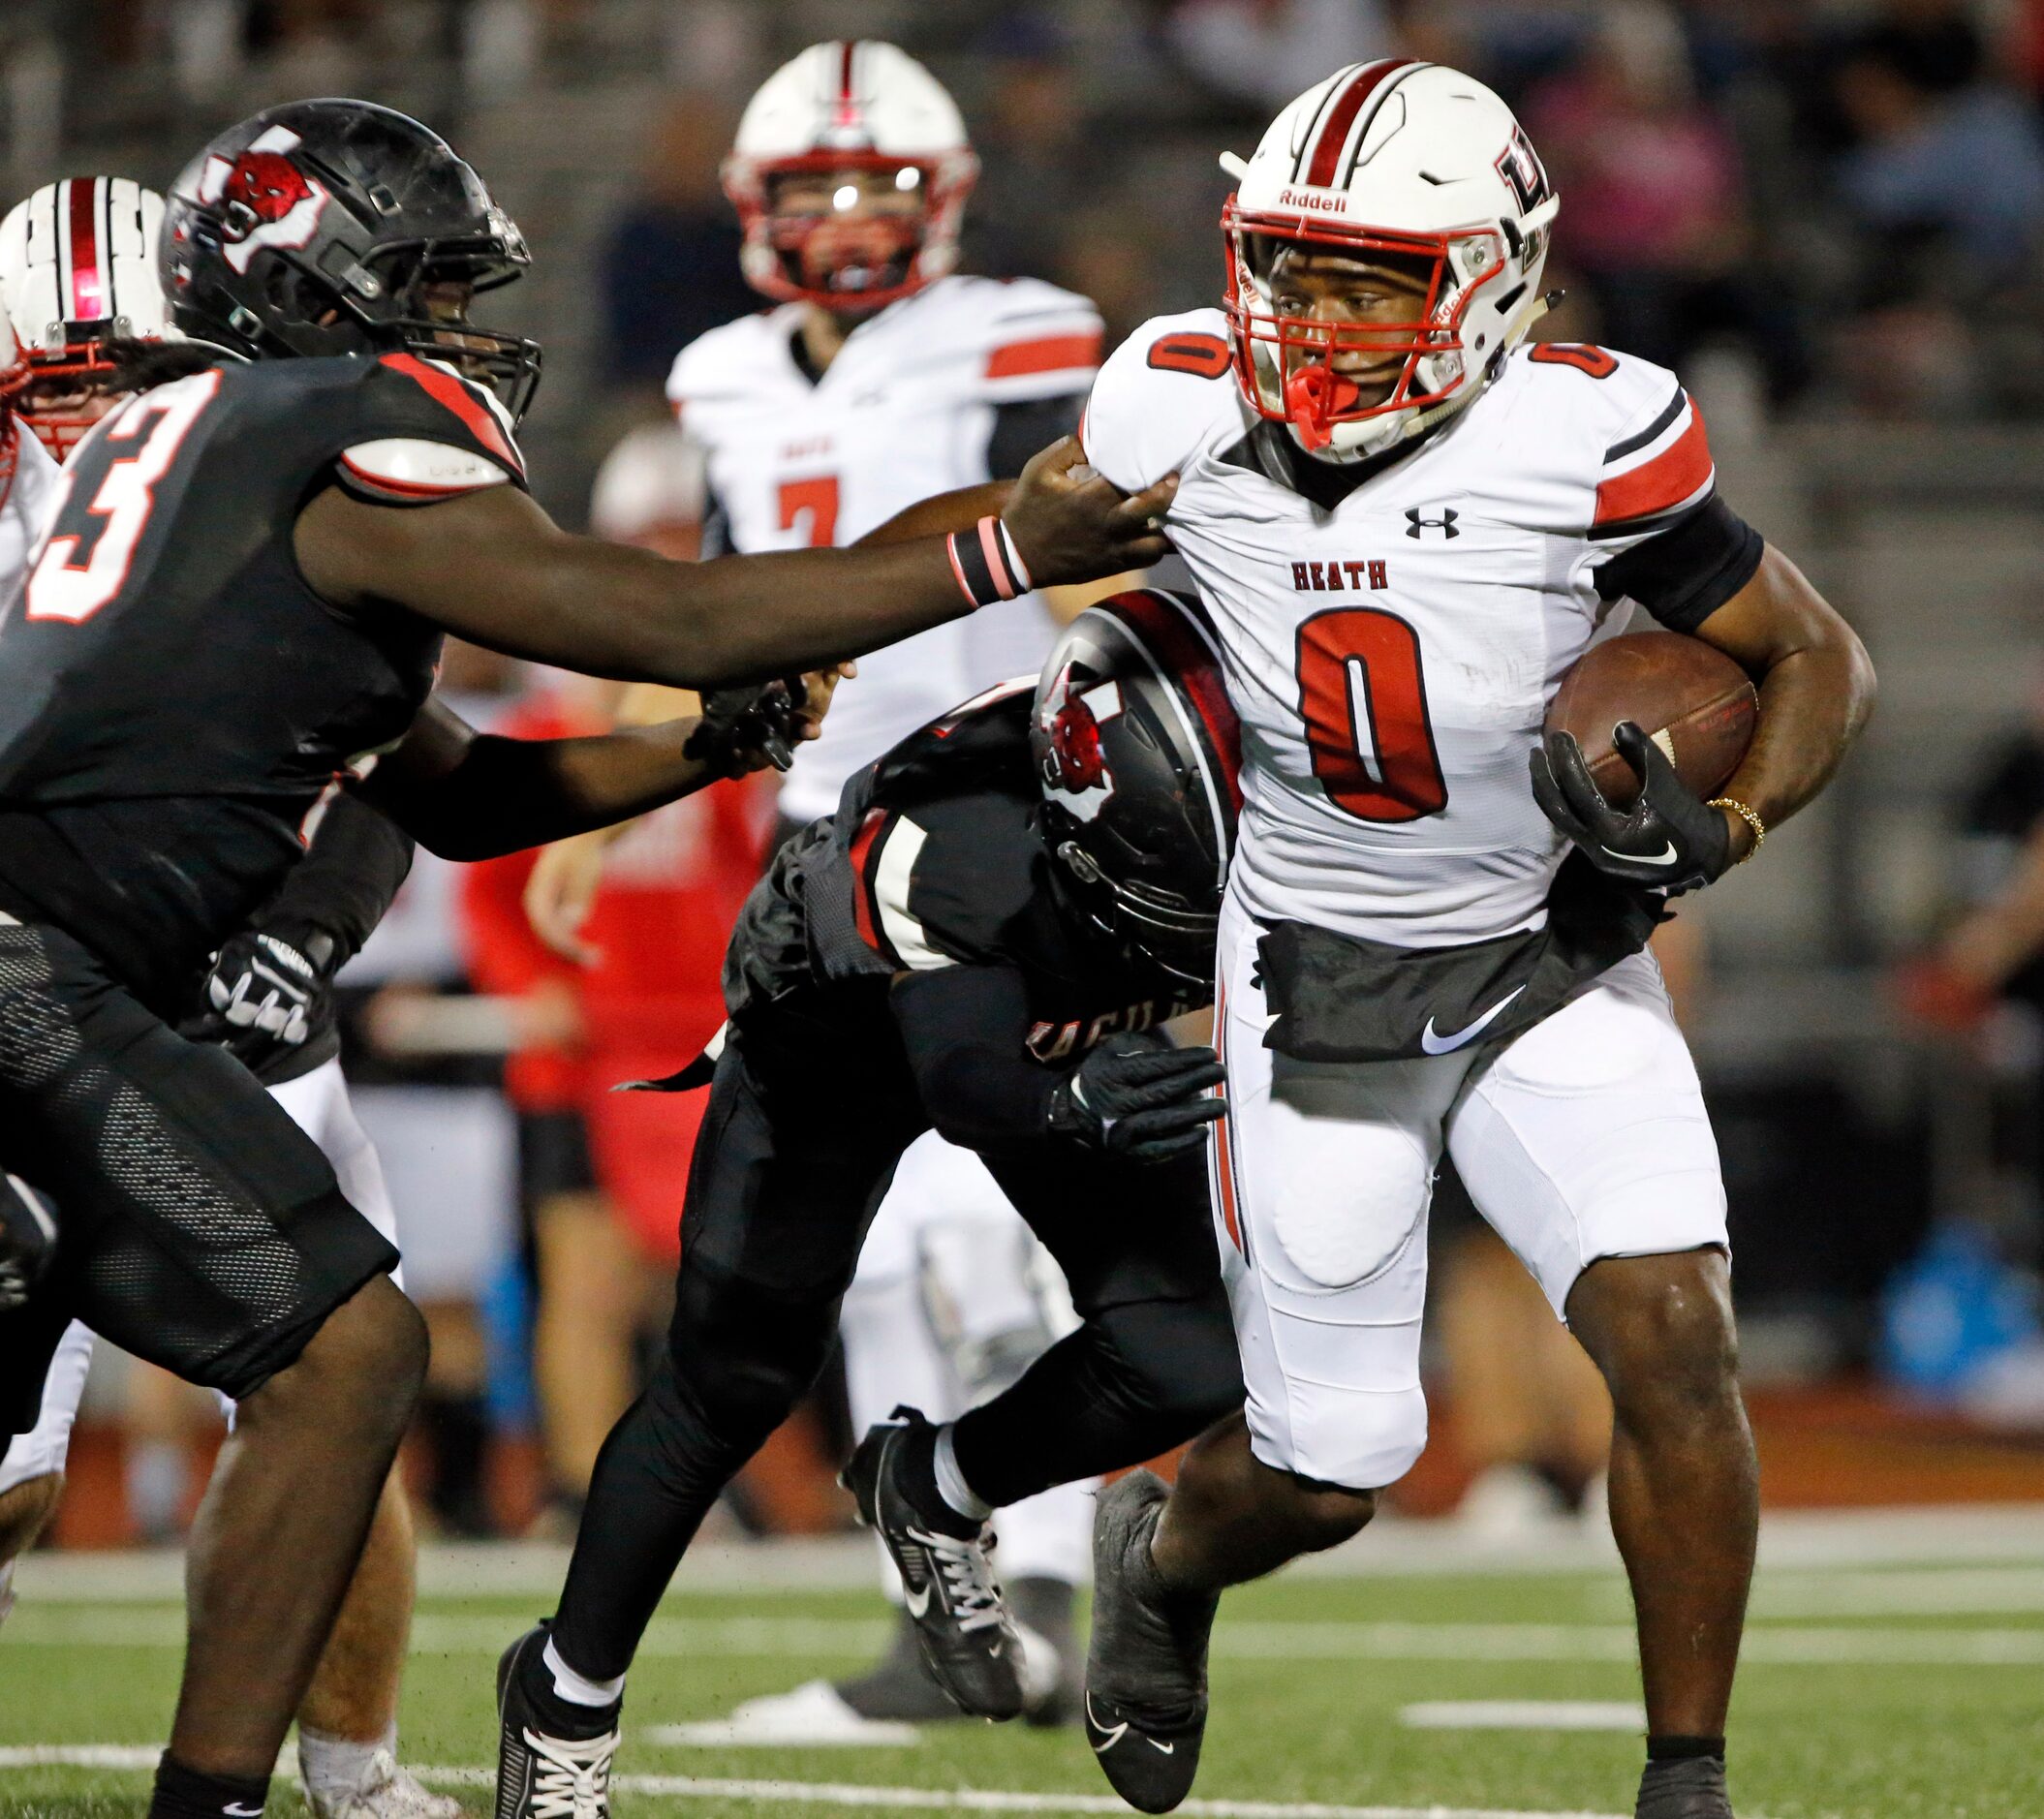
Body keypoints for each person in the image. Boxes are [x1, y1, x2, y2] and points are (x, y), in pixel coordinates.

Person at [0, 96, 1166, 1819]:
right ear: (318, 296)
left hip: (57, 972)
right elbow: (671, 615)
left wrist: (708, 744)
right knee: (344, 1346)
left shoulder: (204, 467)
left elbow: (460, 796)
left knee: (263, 1365)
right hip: (45, 974)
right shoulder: (331, 429)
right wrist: (1003, 552)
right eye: (428, 286)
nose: (464, 331)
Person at [1064, 59, 1874, 1819]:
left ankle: (1688, 1779)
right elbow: (1052, 633)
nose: (1319, 319)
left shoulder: (1591, 430)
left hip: (1545, 945)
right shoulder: (1175, 407)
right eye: (1291, 268)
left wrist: (1715, 831)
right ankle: (1164, 1552)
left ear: (1495, 276)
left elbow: (1823, 658)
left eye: (1374, 278)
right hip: (1317, 973)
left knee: (1672, 1321)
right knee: (1334, 1466)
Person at [530, 38, 1125, 1730]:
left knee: (986, 1232)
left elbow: (1100, 559)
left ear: (941, 199)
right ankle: (938, 1634)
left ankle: (1060, 1581)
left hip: (1004, 812)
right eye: (820, 189)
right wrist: (595, 808)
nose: (853, 219)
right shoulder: (721, 374)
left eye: (881, 185)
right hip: (820, 832)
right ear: (752, 208)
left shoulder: (1017, 331)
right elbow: (710, 620)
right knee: (863, 1256)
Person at [493, 590, 1249, 1818]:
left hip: (1050, 1035)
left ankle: (936, 1482)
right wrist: (1083, 1105)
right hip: (841, 1036)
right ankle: (564, 1693)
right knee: (728, 1380)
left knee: (1186, 1357)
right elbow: (969, 1084)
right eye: (1170, 860)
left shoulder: (1255, 782)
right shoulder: (960, 836)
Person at [0, 172, 463, 1819]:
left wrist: (307, 933)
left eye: (138, 376)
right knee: (11, 1475)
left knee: (334, 1391)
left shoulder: (287, 493)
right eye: (66, 387)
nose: (104, 416)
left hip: (247, 1014)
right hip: (41, 1020)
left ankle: (353, 1772)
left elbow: (404, 752)